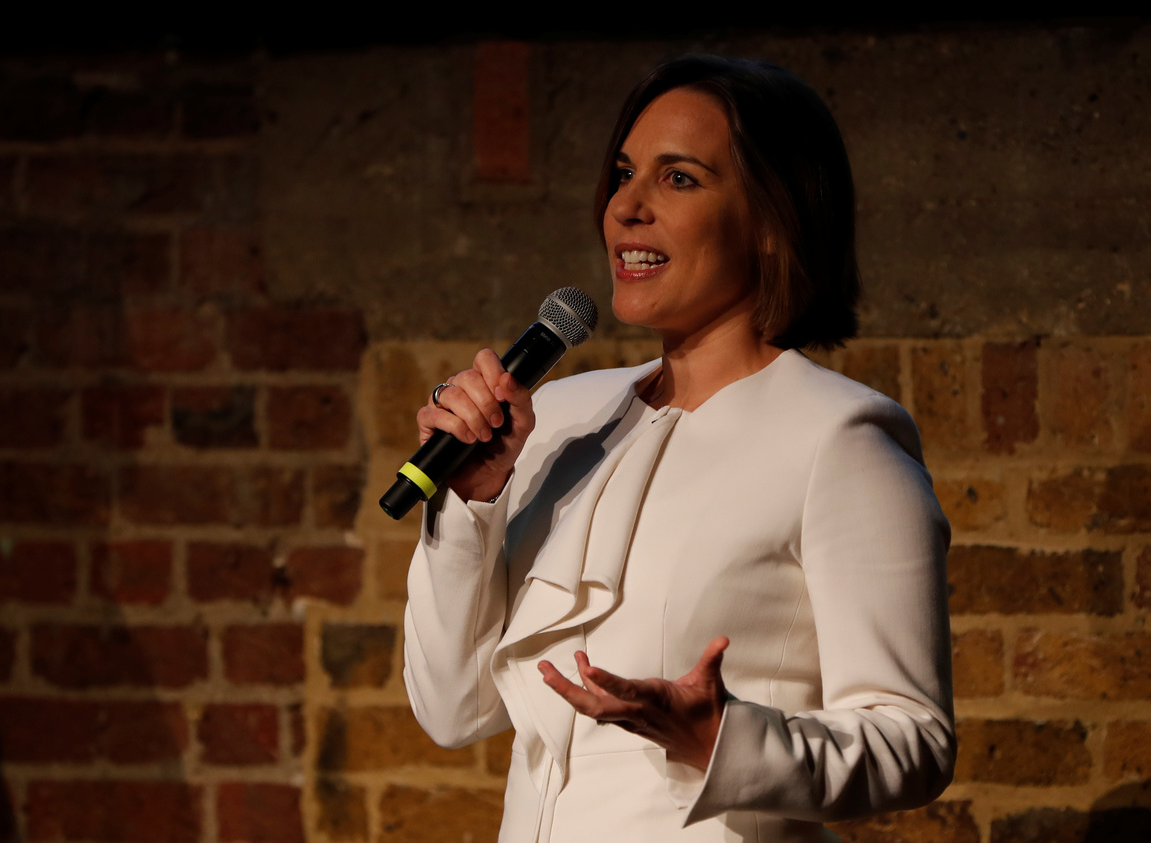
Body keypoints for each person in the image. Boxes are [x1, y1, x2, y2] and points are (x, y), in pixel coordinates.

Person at [403, 55, 955, 843]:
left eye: (679, 178)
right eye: (624, 173)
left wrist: (724, 740)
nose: (627, 207)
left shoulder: (839, 438)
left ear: (774, 220)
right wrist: (470, 503)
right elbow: (453, 710)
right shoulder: (562, 416)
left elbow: (914, 740)